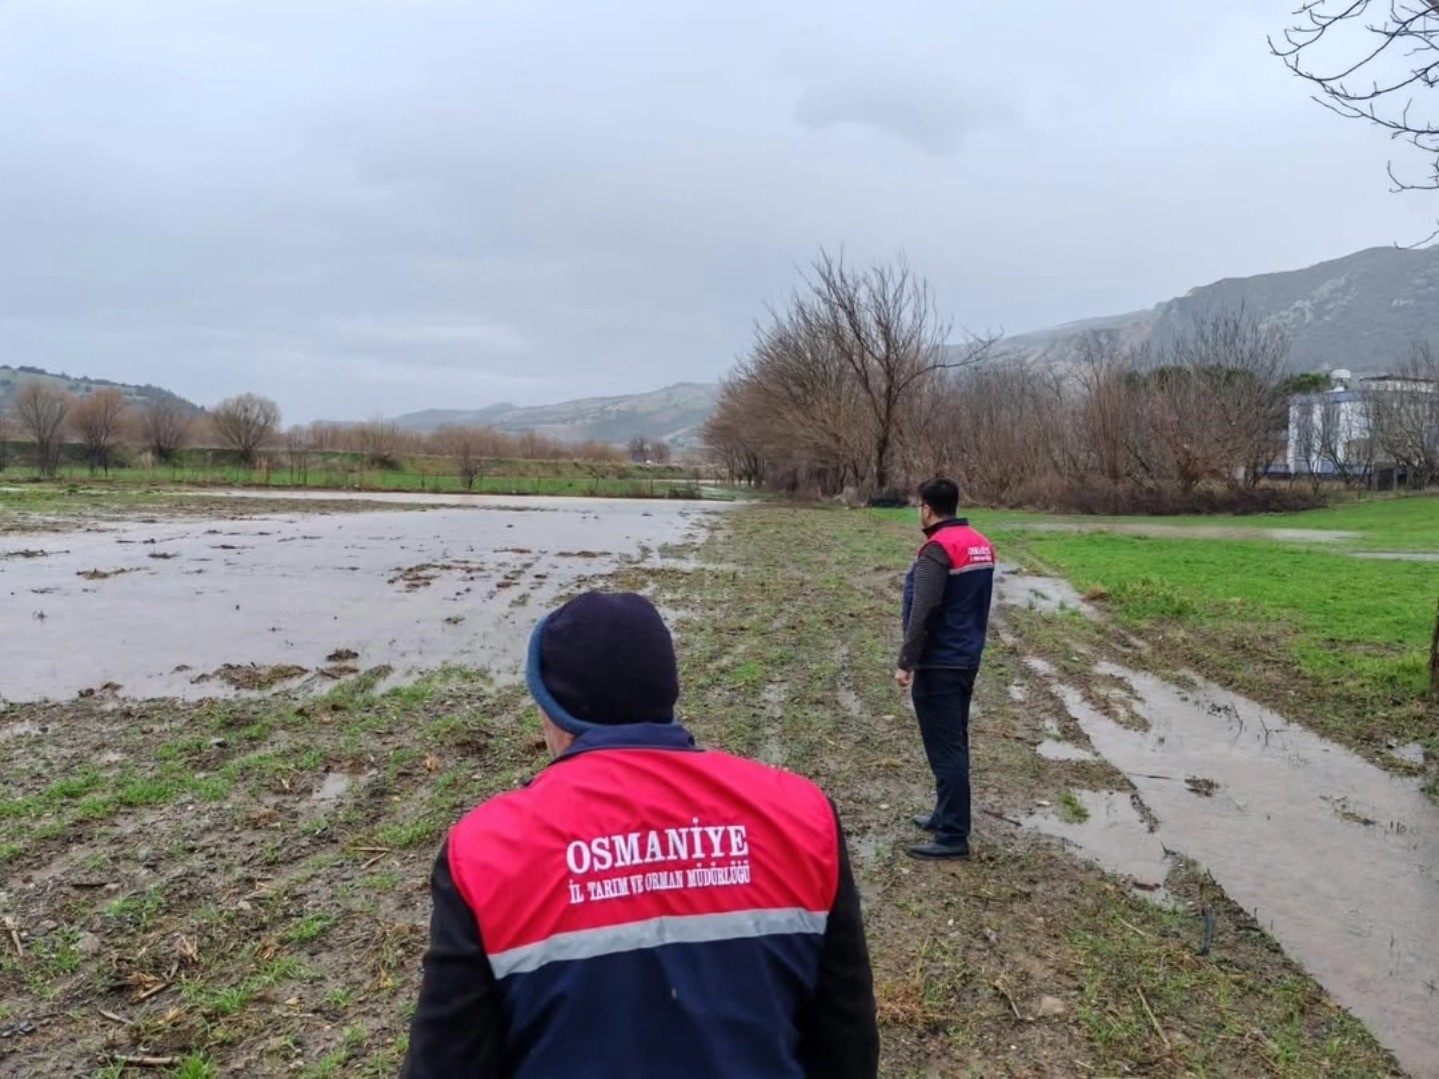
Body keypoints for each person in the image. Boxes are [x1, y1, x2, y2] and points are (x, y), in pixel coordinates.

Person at [403, 591, 879, 1078]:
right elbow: (847, 1041)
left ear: (551, 708)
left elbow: (446, 1061)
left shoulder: (485, 851)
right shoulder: (803, 818)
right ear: (665, 695)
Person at [894, 478, 995, 861]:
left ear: (927, 508)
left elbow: (924, 608)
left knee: (946, 749)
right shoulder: (980, 543)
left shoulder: (938, 549)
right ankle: (943, 814)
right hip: (967, 656)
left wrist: (906, 661)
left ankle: (953, 834)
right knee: (955, 740)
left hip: (940, 661)